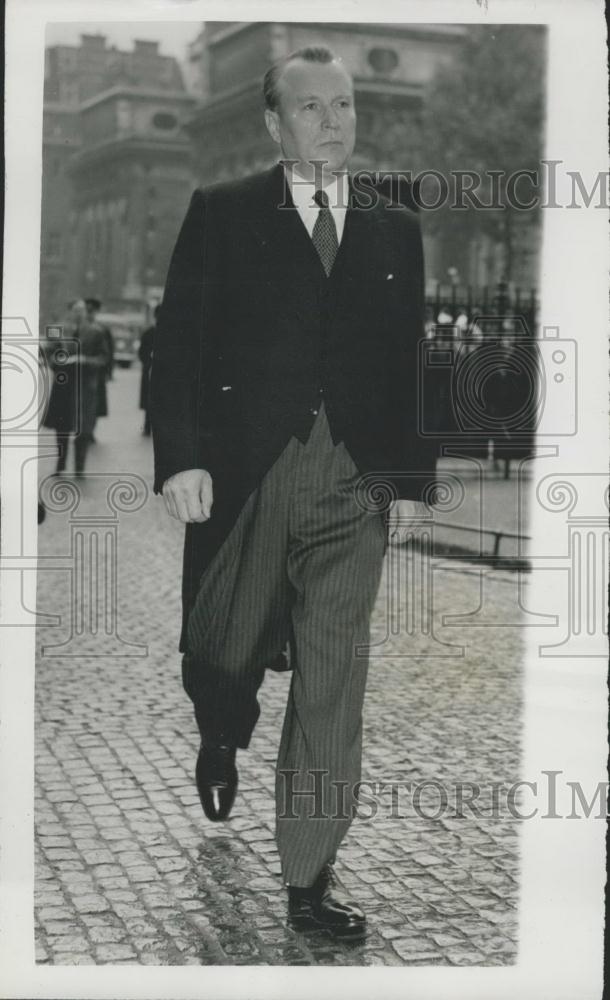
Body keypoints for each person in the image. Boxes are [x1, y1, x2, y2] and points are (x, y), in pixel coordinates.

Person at [150, 46, 439, 940]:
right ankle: (221, 725)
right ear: (274, 125)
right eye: (309, 108)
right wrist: (183, 459)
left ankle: (309, 877)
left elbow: (409, 359)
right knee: (227, 644)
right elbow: (178, 343)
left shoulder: (395, 223)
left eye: (344, 105)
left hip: (354, 487)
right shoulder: (225, 213)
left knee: (333, 677)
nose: (332, 122)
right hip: (251, 475)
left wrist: (413, 476)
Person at [43, 299, 110, 476]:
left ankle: (80, 467)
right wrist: (57, 361)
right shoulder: (59, 330)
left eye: (82, 310)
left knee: (84, 427)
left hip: (85, 386)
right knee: (61, 426)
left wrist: (84, 360)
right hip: (63, 385)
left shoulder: (97, 332)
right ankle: (60, 465)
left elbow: (104, 358)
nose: (79, 313)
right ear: (70, 312)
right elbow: (49, 353)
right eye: (76, 310)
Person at [84, 296, 114, 440]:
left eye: (92, 310)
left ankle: (90, 431)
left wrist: (108, 372)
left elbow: (109, 352)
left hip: (97, 373)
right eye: (87, 310)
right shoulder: (79, 328)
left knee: (95, 404)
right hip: (82, 372)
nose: (90, 313)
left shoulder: (102, 330)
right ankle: (84, 431)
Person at [138, 306, 158, 436]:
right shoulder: (149, 333)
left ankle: (149, 427)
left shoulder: (149, 332)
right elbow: (142, 352)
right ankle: (148, 426)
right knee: (151, 399)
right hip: (151, 369)